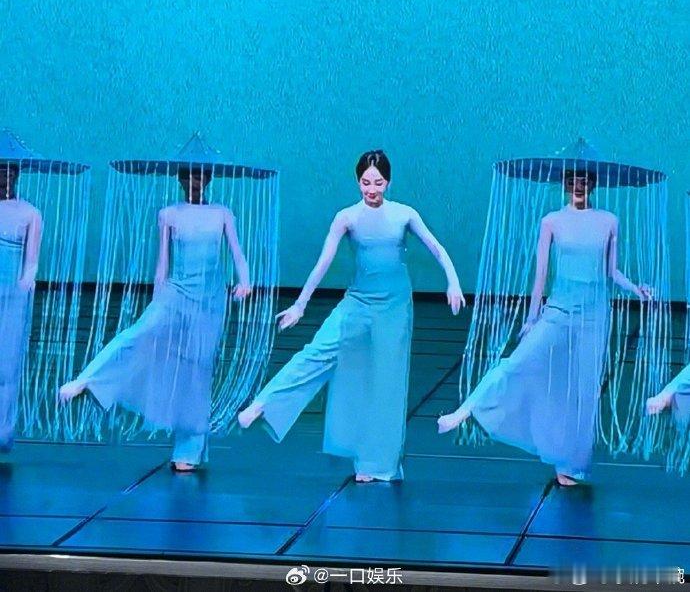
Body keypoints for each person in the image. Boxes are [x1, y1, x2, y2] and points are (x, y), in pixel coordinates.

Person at [238, 150, 465, 482]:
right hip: (358, 301)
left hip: (394, 308)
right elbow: (324, 261)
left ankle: (375, 464)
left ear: (388, 182)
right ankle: (265, 403)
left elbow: (437, 248)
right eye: (366, 182)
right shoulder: (347, 217)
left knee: (385, 382)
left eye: (378, 182)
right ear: (358, 181)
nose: (372, 189)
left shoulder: (404, 214)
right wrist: (300, 304)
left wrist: (453, 282)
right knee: (319, 350)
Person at [438, 170, 651, 486]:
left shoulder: (609, 220)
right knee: (518, 362)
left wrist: (636, 289)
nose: (578, 187)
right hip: (559, 309)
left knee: (583, 390)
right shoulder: (552, 221)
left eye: (584, 181)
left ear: (593, 184)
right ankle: (467, 409)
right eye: (572, 181)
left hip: (594, 314)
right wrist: (532, 317)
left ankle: (571, 465)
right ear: (565, 184)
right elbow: (541, 273)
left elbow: (611, 270)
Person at [59, 166, 251, 471]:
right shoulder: (169, 214)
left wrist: (245, 281)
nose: (195, 181)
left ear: (208, 180)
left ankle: (189, 450)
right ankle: (89, 380)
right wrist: (157, 297)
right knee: (139, 332)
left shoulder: (222, 213)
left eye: (200, 176)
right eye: (189, 176)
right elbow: (163, 262)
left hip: (210, 300)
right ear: (181, 180)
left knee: (197, 370)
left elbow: (237, 251)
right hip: (176, 291)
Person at [0, 162, 42, 451]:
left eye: (9, 171)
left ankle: (3, 428)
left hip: (12, 297)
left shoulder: (30, 213)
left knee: (7, 365)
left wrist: (24, 286)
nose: (5, 176)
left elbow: (31, 262)